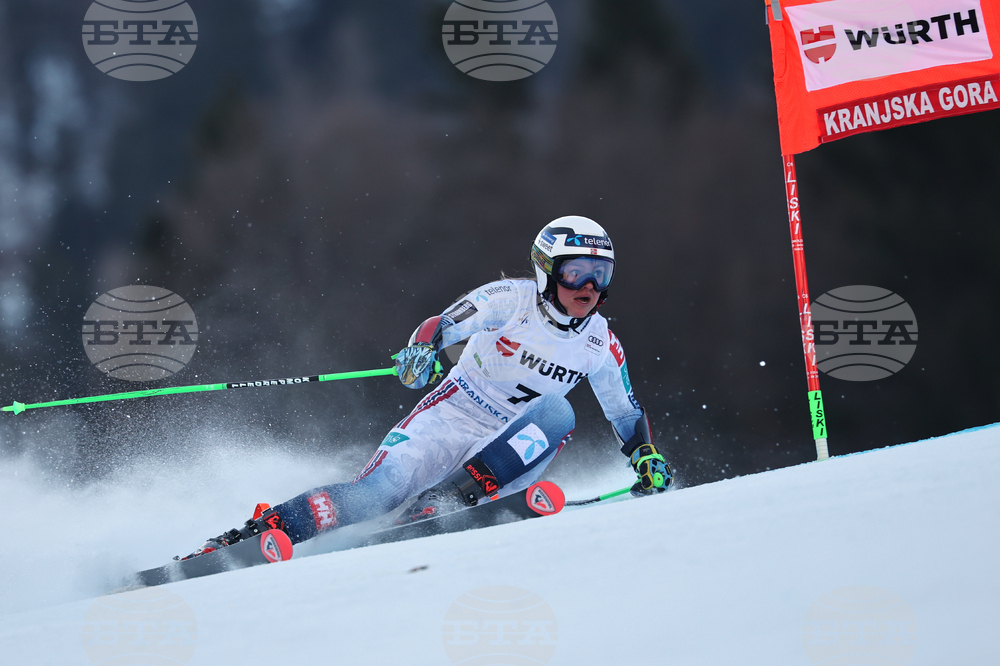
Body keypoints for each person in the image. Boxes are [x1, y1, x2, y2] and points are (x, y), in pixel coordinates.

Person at [185, 216, 672, 558]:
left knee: (559, 413)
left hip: (509, 448)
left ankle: (444, 504)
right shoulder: (512, 298)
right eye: (575, 272)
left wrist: (644, 455)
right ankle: (261, 531)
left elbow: (625, 413)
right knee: (378, 493)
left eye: (600, 275)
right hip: (451, 415)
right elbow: (443, 324)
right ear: (546, 271)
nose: (588, 286)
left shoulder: (601, 344)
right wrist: (423, 349)